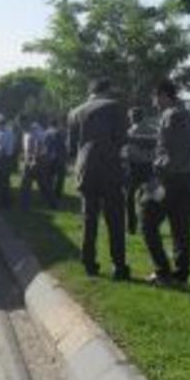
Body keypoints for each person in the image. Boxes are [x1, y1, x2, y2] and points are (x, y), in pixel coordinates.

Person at [68, 79, 130, 280]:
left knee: (89, 218)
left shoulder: (75, 112)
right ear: (107, 90)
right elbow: (122, 139)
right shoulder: (114, 107)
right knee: (115, 220)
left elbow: (71, 147)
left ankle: (88, 262)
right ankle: (119, 266)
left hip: (85, 170)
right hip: (109, 168)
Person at [142, 79, 190, 286]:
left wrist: (156, 177)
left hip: (168, 181)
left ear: (163, 95)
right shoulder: (187, 115)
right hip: (185, 179)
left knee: (146, 221)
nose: (153, 102)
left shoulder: (170, 115)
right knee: (181, 230)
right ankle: (181, 276)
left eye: (154, 97)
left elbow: (171, 153)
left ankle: (162, 272)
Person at [124, 107, 158, 234]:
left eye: (130, 116)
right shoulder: (153, 129)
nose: (130, 119)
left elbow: (129, 151)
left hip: (135, 166)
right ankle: (150, 224)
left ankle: (131, 226)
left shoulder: (131, 131)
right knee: (152, 196)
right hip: (149, 166)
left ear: (133, 117)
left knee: (129, 197)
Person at [20, 121, 57, 210]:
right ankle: (53, 204)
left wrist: (33, 159)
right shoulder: (33, 132)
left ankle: (25, 206)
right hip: (38, 161)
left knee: (26, 185)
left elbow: (37, 146)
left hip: (35, 161)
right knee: (43, 185)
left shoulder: (34, 133)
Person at [44, 119, 69, 201]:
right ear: (56, 124)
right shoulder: (62, 132)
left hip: (50, 157)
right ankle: (57, 194)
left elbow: (45, 145)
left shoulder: (47, 132)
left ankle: (49, 193)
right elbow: (65, 146)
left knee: (49, 177)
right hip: (60, 158)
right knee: (60, 178)